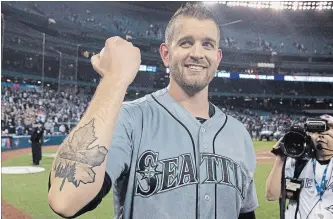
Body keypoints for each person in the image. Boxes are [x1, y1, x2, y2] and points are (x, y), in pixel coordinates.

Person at [48, 3, 258, 219]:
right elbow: (65, 199)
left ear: (218, 57)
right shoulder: (129, 120)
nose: (197, 53)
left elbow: (245, 214)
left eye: (207, 44)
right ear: (166, 54)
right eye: (186, 42)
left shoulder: (239, 134)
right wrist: (113, 81)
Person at [265, 115, 333, 219]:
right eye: (317, 131)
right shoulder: (298, 162)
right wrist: (280, 158)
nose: (322, 135)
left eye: (327, 130)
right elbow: (271, 195)